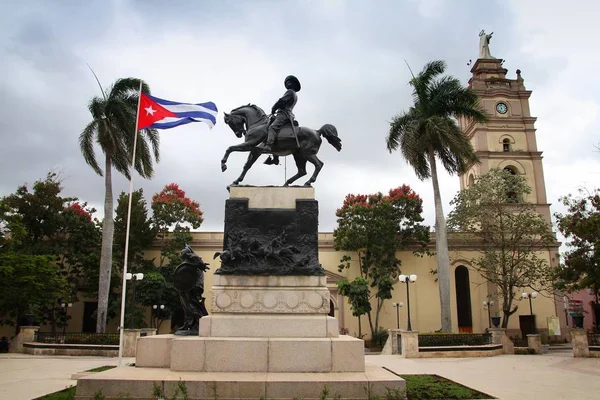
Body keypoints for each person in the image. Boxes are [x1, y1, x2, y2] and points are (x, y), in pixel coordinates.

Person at [263, 75, 301, 154]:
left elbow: (281, 101)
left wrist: (273, 108)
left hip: (284, 114)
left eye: (289, 82)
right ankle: (275, 156)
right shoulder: (294, 94)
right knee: (275, 128)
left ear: (293, 84)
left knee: (272, 128)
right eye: (286, 83)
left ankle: (269, 146)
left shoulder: (290, 92)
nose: (287, 84)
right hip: (287, 115)